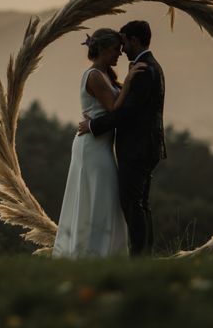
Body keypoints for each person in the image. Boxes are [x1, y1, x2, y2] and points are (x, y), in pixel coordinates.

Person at [52, 28, 146, 258]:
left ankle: (103, 252)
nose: (119, 54)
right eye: (116, 49)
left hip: (100, 144)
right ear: (103, 49)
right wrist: (130, 79)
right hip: (92, 147)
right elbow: (114, 107)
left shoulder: (105, 75)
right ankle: (91, 252)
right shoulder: (94, 76)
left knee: (104, 197)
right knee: (98, 196)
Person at [78, 20, 166, 256]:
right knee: (139, 204)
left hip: (137, 149)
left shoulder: (142, 69)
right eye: (117, 46)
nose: (122, 49)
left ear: (134, 40)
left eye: (124, 43)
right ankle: (143, 254)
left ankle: (140, 256)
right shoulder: (148, 66)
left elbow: (125, 112)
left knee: (133, 205)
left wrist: (93, 125)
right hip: (143, 147)